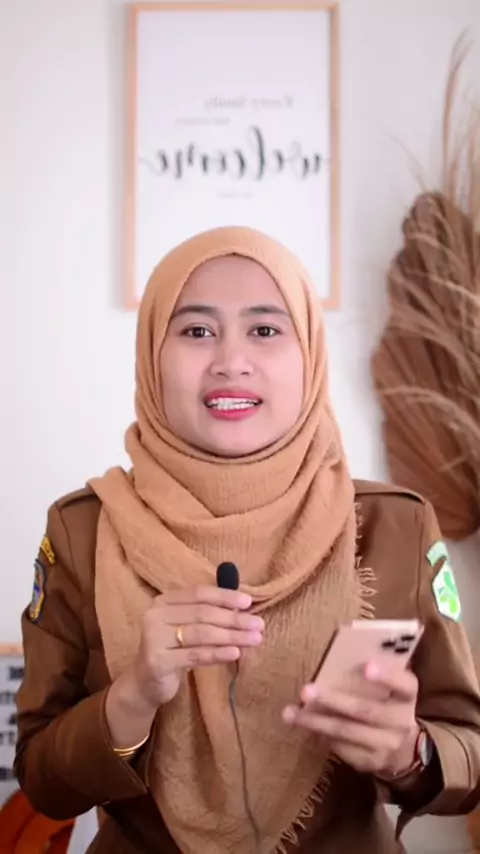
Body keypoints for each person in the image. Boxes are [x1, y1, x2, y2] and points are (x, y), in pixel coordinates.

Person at [14, 226, 480, 854]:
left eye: (264, 329)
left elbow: (470, 748)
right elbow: (42, 782)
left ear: (309, 353)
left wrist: (411, 752)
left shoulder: (395, 526)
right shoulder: (84, 530)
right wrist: (131, 696)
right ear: (151, 355)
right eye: (196, 330)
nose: (230, 360)